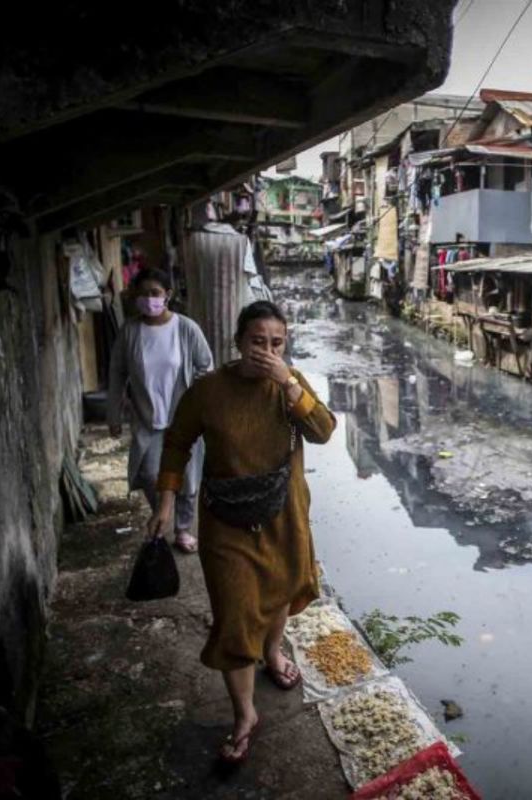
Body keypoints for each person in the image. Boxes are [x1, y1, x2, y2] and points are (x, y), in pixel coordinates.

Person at [147, 300, 337, 763]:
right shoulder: (208, 391)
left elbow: (324, 430)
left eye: (277, 343)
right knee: (235, 614)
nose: (266, 352)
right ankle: (245, 714)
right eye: (257, 342)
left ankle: (273, 654)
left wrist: (288, 382)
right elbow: (176, 442)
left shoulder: (288, 385)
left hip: (283, 513)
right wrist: (167, 501)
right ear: (237, 342)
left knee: (278, 590)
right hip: (227, 522)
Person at [107, 268, 213, 553]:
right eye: (142, 294)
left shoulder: (186, 328)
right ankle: (161, 515)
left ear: (168, 294)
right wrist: (113, 414)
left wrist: (197, 395)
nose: (148, 299)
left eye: (154, 293)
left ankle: (182, 529)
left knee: (189, 479)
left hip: (184, 418)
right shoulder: (130, 331)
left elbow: (206, 364)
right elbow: (117, 373)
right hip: (147, 418)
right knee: (151, 475)